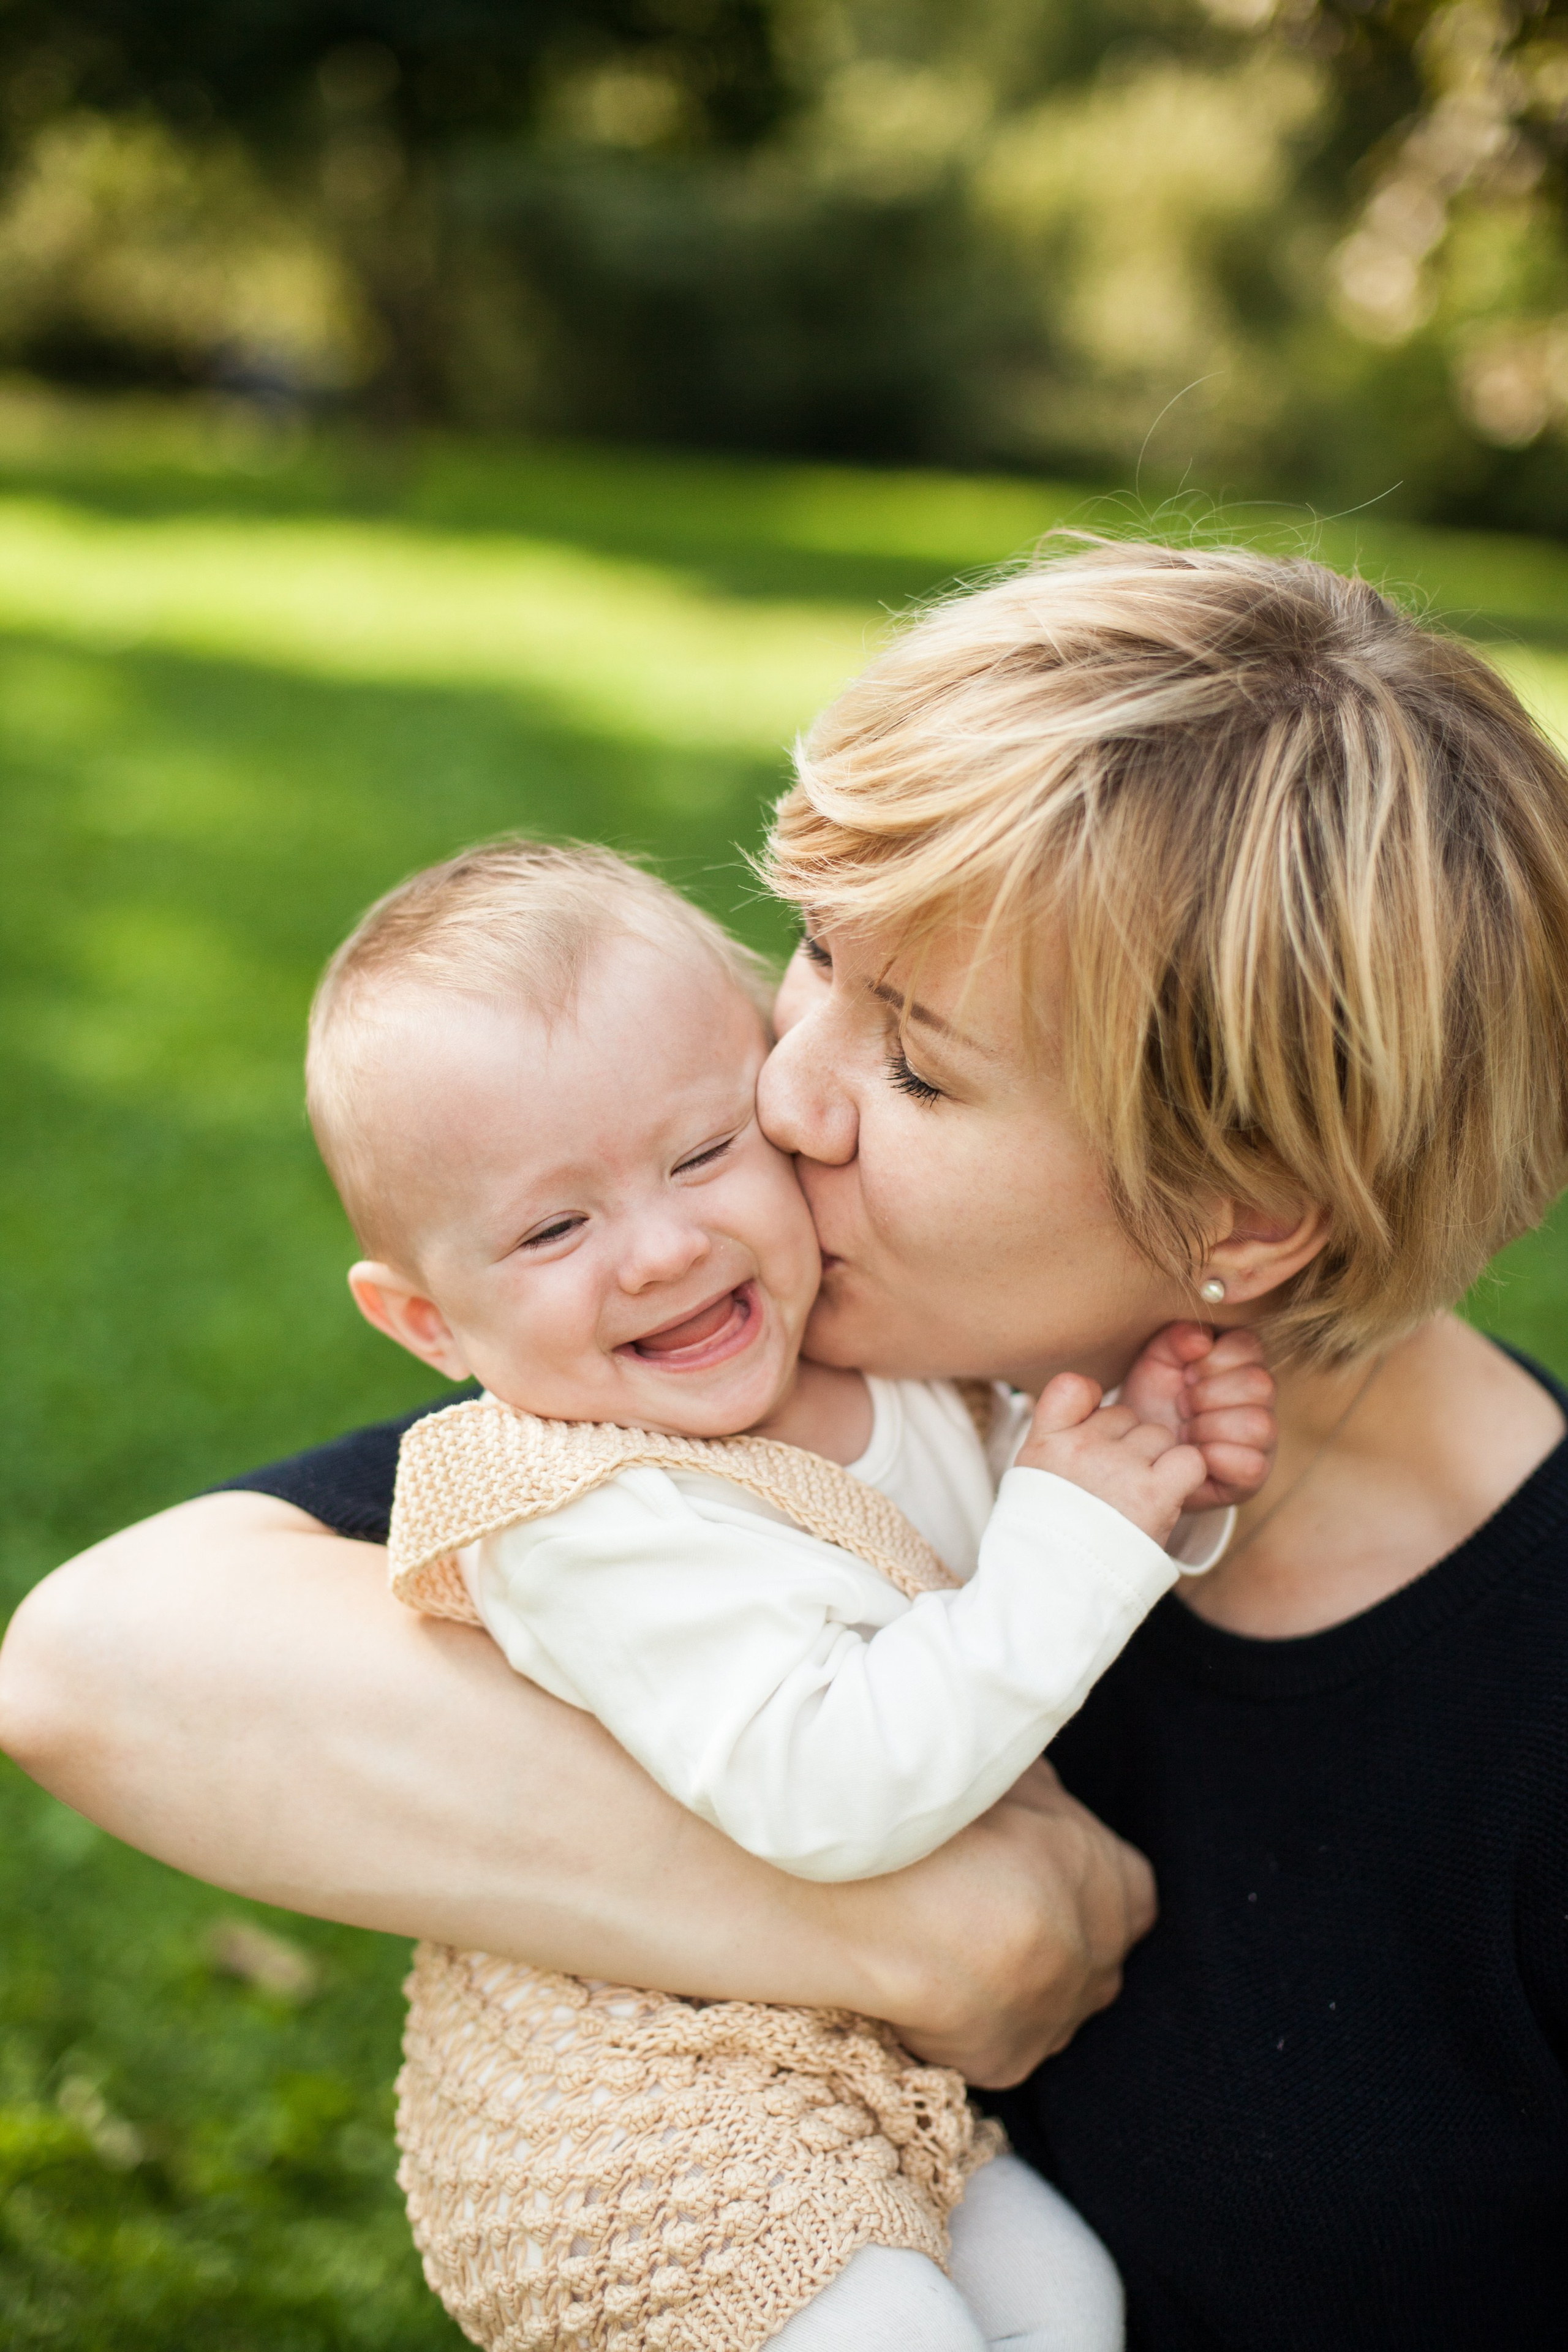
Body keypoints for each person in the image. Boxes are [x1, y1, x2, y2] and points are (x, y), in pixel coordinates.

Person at [4, 538, 1568, 2351]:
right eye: (816, 953)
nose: (784, 1090)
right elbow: (100, 1667)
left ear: (1244, 1216)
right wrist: (890, 1922)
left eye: (918, 1069)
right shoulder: (786, 1391)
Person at [305, 837, 1271, 2350]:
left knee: (1069, 2304)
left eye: (701, 1155)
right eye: (553, 1228)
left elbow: (1007, 1559)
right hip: (642, 2106)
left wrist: (1141, 1477)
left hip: (861, 2074)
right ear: (427, 1322)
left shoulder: (892, 1370)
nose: (662, 1248)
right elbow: (833, 1789)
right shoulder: (584, 1517)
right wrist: (1077, 1542)